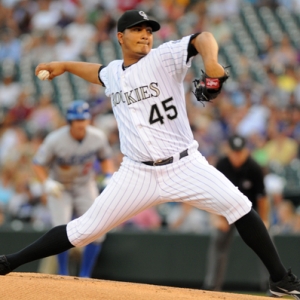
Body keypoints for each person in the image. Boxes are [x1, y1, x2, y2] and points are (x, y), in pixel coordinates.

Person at [0, 10, 299, 299]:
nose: (146, 35)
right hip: (136, 173)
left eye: (149, 31)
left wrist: (211, 64)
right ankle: (9, 262)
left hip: (184, 164)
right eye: (138, 30)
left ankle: (280, 280)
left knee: (240, 206)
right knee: (83, 230)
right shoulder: (115, 72)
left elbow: (203, 37)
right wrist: (63, 64)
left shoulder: (162, 58)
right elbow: (98, 73)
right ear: (120, 36)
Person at [31, 100, 115, 277]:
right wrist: (46, 182)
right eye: (77, 120)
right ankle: (63, 273)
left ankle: (85, 275)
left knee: (98, 229)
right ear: (69, 121)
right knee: (61, 230)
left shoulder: (97, 136)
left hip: (85, 185)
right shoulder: (55, 139)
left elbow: (105, 158)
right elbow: (38, 164)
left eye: (83, 119)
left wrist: (108, 175)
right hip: (60, 187)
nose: (81, 123)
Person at [202, 134, 269, 291]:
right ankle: (212, 285)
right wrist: (216, 217)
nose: (237, 155)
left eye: (240, 151)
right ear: (228, 151)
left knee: (266, 242)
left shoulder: (254, 167)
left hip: (251, 212)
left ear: (245, 151)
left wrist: (264, 220)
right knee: (219, 238)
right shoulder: (222, 165)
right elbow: (212, 194)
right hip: (227, 211)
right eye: (234, 152)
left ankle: (271, 285)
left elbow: (262, 198)